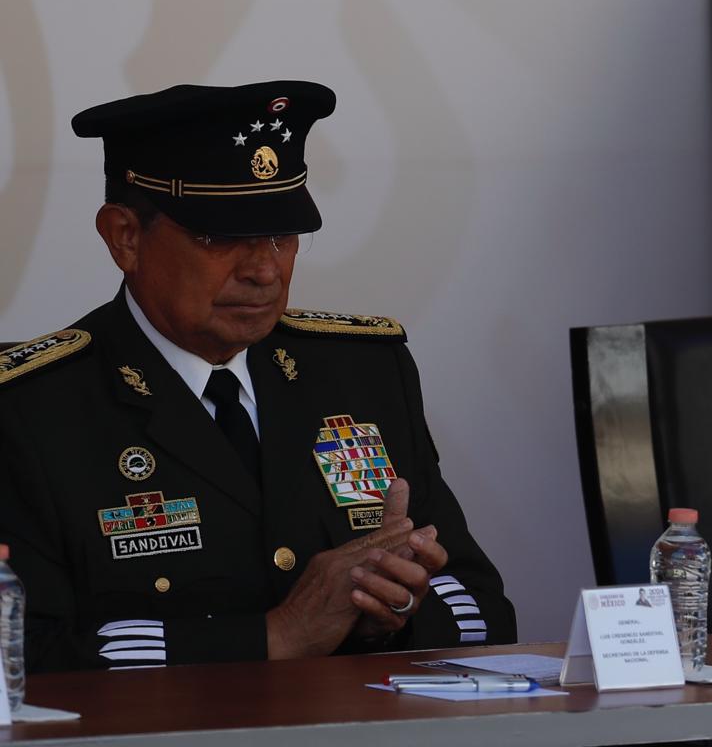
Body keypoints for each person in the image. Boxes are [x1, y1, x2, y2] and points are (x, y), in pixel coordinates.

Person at [0, 82, 513, 671]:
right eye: (219, 237)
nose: (265, 270)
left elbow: (482, 610)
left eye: (282, 233)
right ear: (125, 237)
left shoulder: (363, 371)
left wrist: (384, 618)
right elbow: (19, 653)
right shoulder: (31, 411)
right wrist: (275, 637)